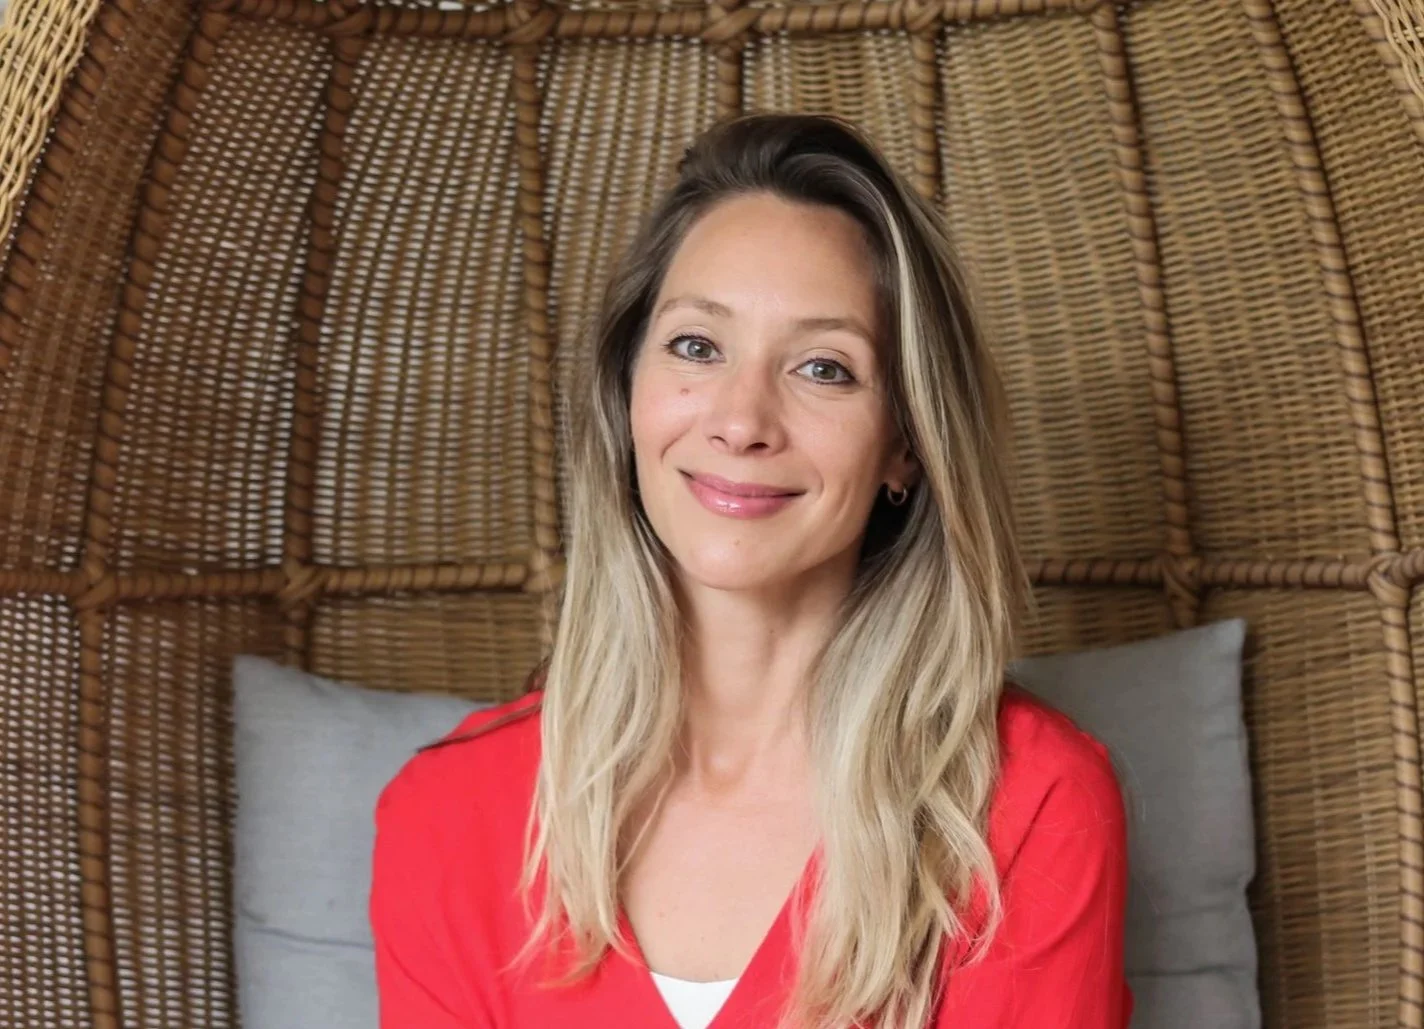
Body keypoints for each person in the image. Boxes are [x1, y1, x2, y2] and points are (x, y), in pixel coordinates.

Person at [369, 112, 1133, 1029]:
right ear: (628, 393)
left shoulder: (1029, 806)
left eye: (824, 367)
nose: (741, 421)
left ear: (905, 444)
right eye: (697, 346)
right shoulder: (446, 810)